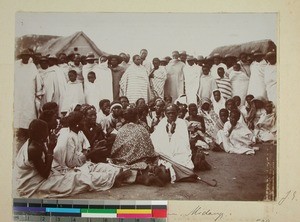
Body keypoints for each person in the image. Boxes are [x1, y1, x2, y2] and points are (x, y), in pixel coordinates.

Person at [14, 119, 123, 198]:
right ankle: (111, 179)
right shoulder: (34, 149)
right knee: (77, 179)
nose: (49, 132)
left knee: (77, 174)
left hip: (44, 175)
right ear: (41, 133)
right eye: (46, 130)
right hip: (34, 184)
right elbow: (45, 174)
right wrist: (50, 150)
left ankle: (112, 176)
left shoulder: (37, 142)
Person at [14, 50, 43, 147]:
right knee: (18, 111)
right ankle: (19, 131)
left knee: (29, 112)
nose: (25, 58)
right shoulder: (16, 66)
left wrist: (38, 92)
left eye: (27, 56)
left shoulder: (32, 67)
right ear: (21, 57)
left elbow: (37, 80)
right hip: (18, 93)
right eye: (24, 56)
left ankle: (29, 131)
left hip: (29, 94)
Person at [151, 104, 194, 170]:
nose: (171, 115)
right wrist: (168, 134)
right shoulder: (162, 122)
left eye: (173, 113)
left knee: (185, 164)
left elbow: (184, 142)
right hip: (164, 151)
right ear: (165, 113)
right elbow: (155, 138)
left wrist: (172, 133)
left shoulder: (182, 123)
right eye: (169, 113)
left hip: (178, 151)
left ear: (177, 113)